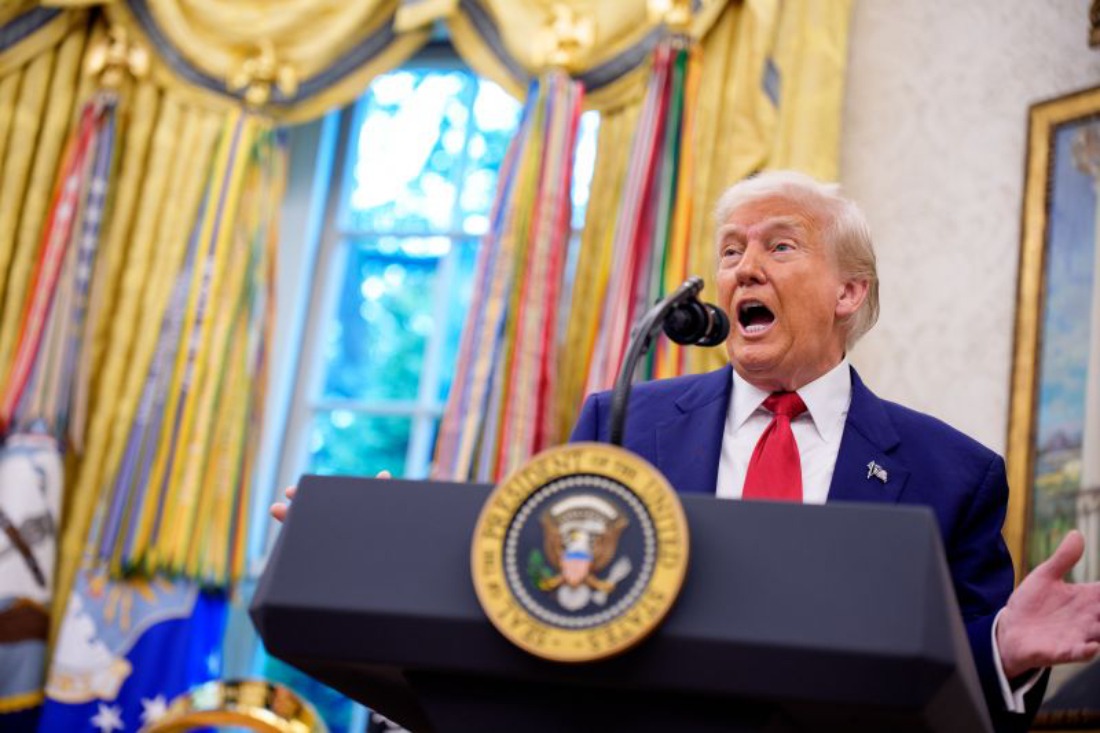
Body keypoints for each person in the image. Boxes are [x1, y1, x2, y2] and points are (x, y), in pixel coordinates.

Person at [568, 170, 1100, 732]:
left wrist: (1004, 652)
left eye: (779, 245)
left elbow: (954, 679)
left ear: (848, 292)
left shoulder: (955, 475)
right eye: (730, 250)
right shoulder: (621, 422)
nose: (745, 267)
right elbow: (559, 609)